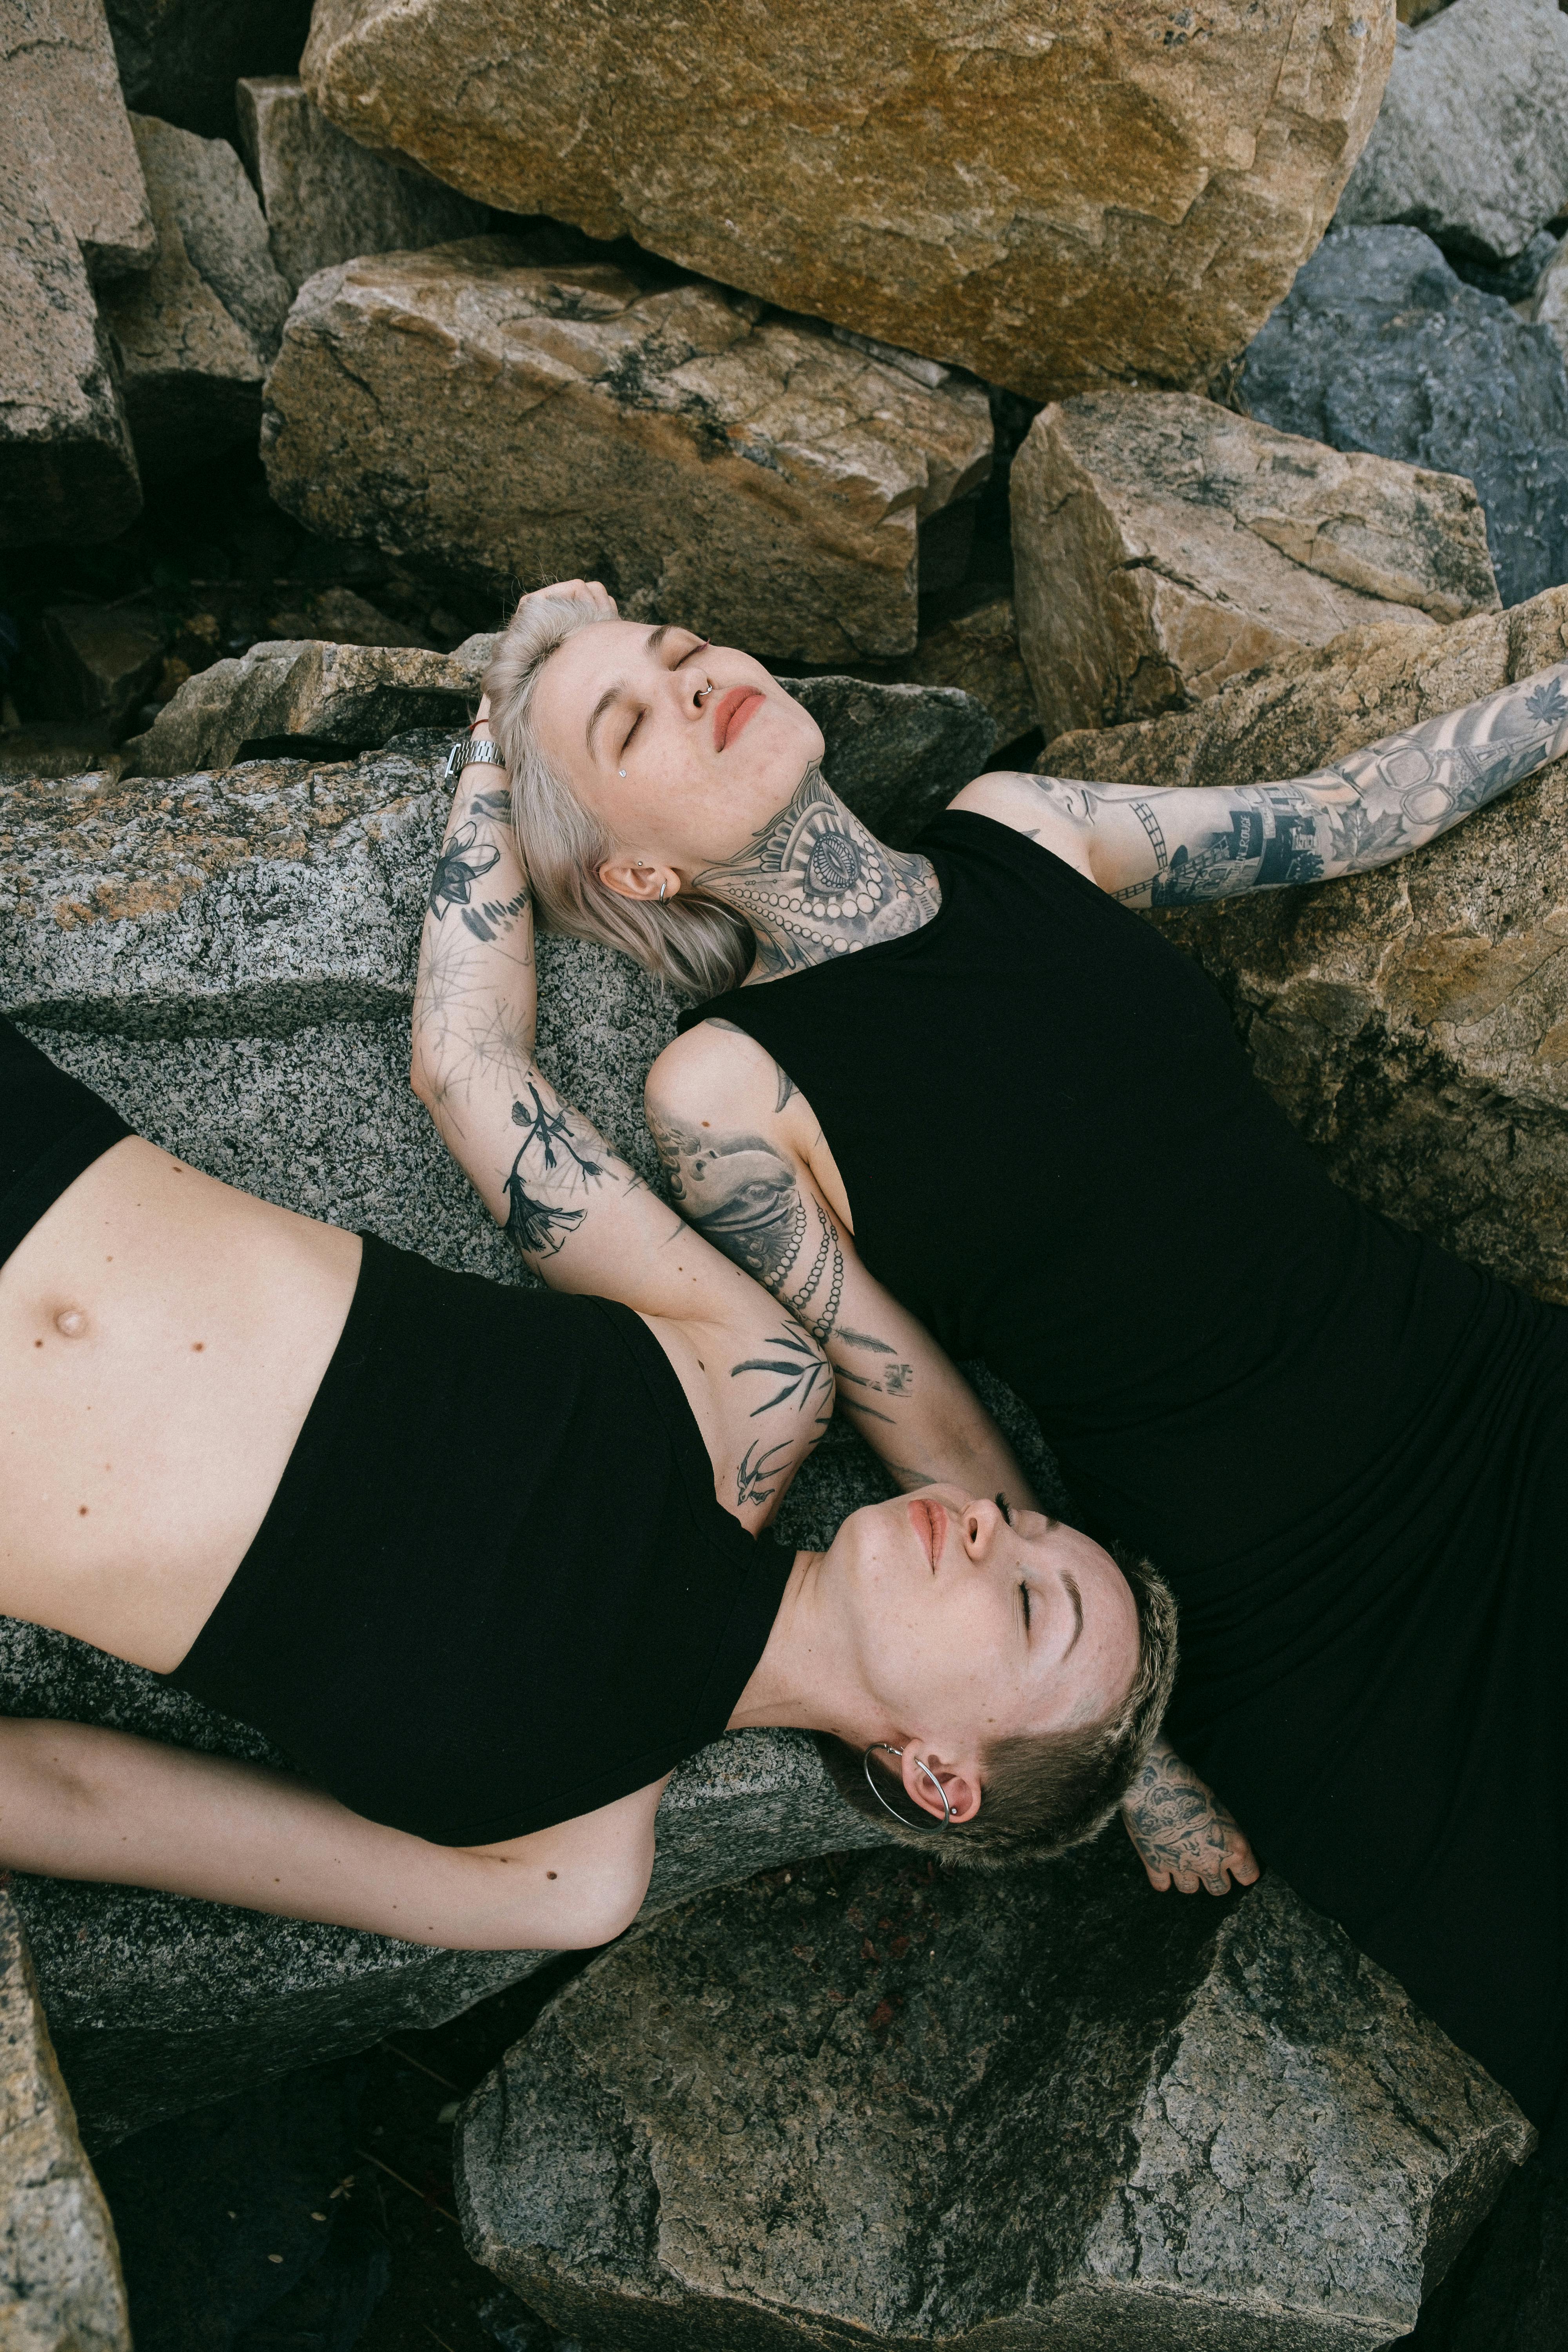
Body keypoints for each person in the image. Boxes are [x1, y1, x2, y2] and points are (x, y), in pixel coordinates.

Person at [483, 577, 1568, 2153]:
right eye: (627, 717)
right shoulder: (728, 1090)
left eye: (678, 649)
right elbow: (923, 1416)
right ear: (635, 867)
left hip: (1492, 1402)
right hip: (1294, 1630)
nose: (692, 674)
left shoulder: (1022, 829)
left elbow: (1342, 813)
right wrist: (1137, 1756)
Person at [0, 757, 1177, 1955]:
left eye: (1032, 1602)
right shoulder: (755, 1383)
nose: (987, 1526)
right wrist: (501, 751)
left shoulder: (560, 1871)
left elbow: (71, 1797)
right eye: (1024, 1524)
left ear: (939, 1779)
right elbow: (468, 1068)